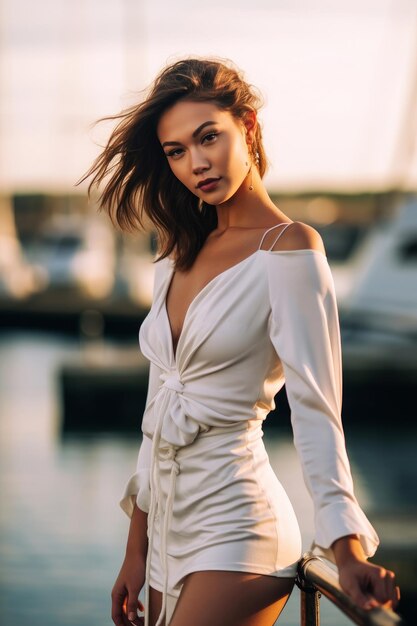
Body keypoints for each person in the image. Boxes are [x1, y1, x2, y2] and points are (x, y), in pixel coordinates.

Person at [79, 57, 400, 626]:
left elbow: (317, 411)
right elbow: (158, 413)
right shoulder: (176, 251)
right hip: (165, 537)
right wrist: (136, 549)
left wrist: (347, 550)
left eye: (209, 137)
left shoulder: (291, 249)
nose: (195, 163)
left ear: (247, 126)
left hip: (239, 528)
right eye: (176, 151)